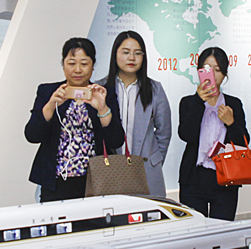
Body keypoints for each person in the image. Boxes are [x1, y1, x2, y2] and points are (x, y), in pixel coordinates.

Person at [25, 37, 124, 202]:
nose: (78, 70)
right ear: (63, 65)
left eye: (84, 64)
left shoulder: (104, 93)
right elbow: (32, 135)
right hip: (56, 182)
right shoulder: (48, 91)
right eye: (71, 63)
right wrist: (50, 106)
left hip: (96, 182)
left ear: (93, 66)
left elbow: (116, 140)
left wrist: (102, 109)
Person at [97, 31, 172, 198]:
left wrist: (154, 160)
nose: (131, 58)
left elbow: (164, 132)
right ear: (115, 54)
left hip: (146, 169)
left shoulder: (155, 89)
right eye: (125, 52)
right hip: (110, 169)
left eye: (137, 53)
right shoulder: (100, 89)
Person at [178, 46, 250, 221]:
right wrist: (198, 102)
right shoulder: (188, 102)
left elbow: (243, 142)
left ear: (224, 75)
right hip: (193, 179)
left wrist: (231, 123)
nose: (212, 74)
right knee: (194, 230)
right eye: (207, 69)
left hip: (226, 178)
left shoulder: (233, 104)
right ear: (199, 72)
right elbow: (186, 135)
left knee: (223, 230)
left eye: (217, 70)